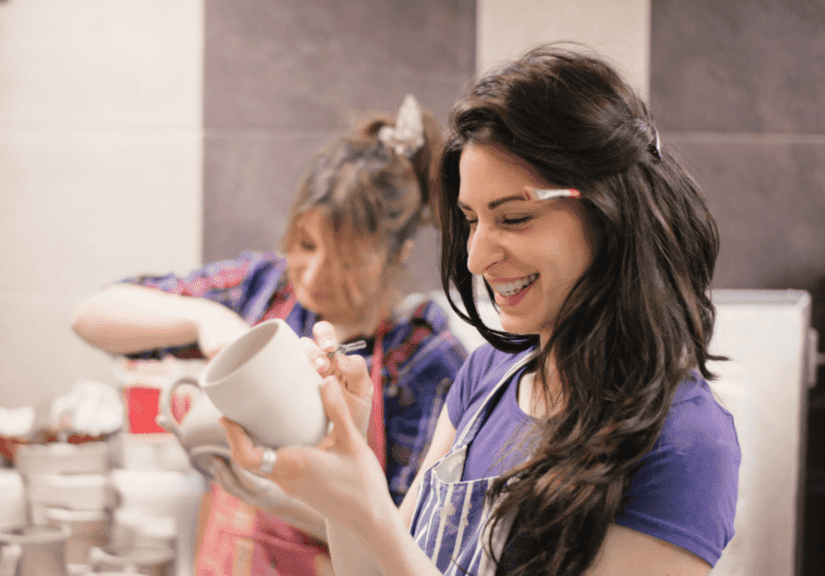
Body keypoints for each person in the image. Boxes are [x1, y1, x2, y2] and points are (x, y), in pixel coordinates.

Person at [221, 44, 742, 576]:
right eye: (470, 219)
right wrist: (343, 468)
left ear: (610, 213)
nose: (475, 257)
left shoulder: (687, 446)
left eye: (513, 218)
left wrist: (370, 509)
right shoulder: (487, 377)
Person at [71, 95, 468, 575]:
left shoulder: (422, 355)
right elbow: (92, 316)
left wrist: (277, 497)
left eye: (345, 259)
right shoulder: (263, 288)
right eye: (305, 244)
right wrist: (204, 319)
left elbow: (408, 540)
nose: (315, 273)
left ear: (397, 254)